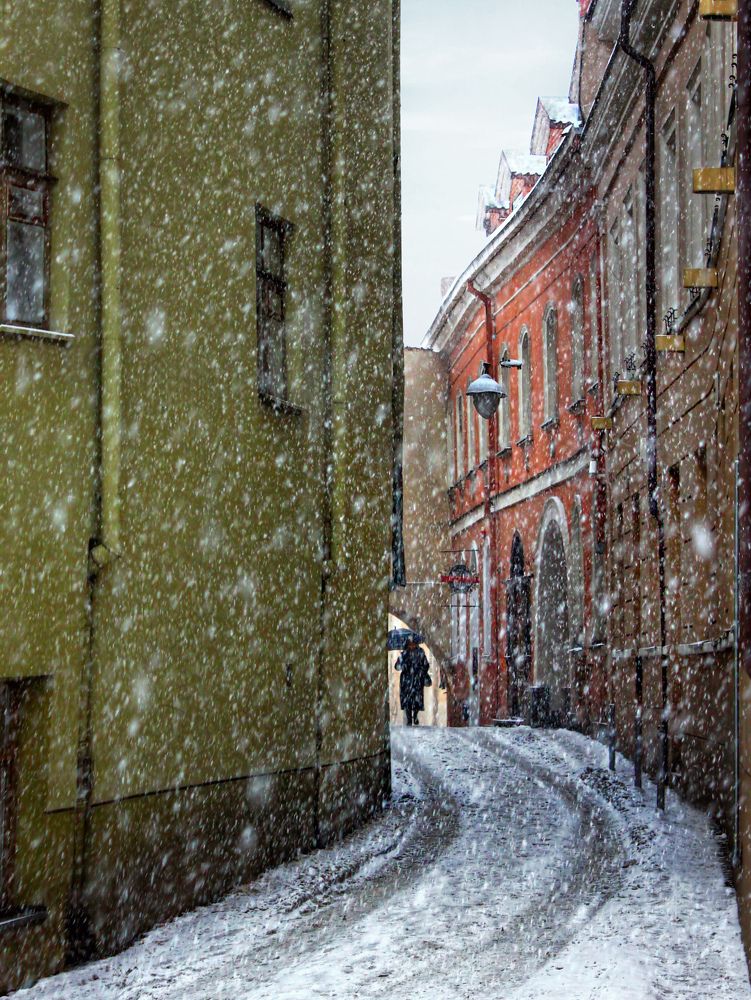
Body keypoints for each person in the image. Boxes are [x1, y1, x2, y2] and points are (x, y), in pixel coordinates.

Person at [394, 637, 431, 726]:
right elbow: (397, 666)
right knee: (407, 701)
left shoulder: (420, 652)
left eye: (413, 643)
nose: (411, 645)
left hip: (417, 679)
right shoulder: (403, 654)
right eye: (410, 643)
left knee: (417, 700)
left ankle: (415, 716)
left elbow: (426, 664)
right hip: (406, 680)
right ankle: (409, 719)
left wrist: (421, 670)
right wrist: (401, 664)